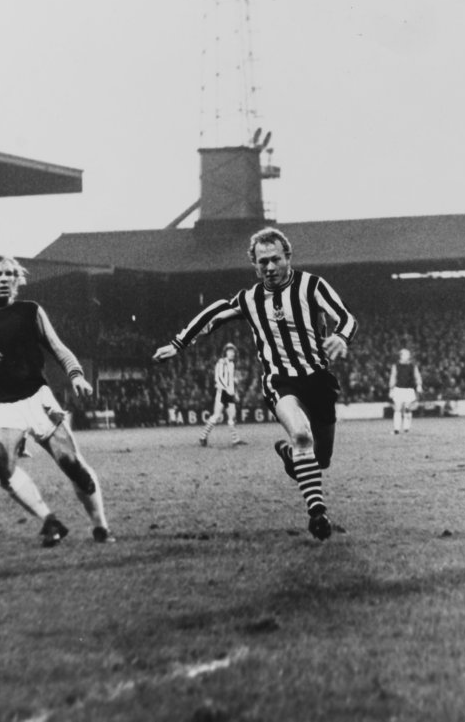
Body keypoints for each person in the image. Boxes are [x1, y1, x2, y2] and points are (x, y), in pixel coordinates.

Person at [152, 227, 357, 541]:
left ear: (288, 257)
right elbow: (215, 313)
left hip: (318, 381)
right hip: (281, 382)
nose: (270, 267)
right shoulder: (250, 299)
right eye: (262, 262)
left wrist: (341, 336)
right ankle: (317, 513)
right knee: (302, 436)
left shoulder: (311, 285)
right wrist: (178, 343)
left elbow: (346, 317)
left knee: (321, 459)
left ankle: (293, 458)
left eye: (275, 259)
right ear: (255, 265)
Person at [0, 254, 114, 547]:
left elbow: (58, 347)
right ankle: (49, 520)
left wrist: (77, 375)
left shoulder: (30, 311)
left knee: (71, 463)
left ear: (16, 279)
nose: (5, 278)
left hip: (37, 399)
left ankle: (100, 527)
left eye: (9, 273)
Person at [197, 343, 247, 446]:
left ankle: (235, 439)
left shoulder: (231, 364)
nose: (232, 353)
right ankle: (203, 437)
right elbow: (218, 377)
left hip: (229, 393)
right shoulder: (221, 362)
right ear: (225, 352)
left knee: (232, 417)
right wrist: (227, 389)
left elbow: (231, 380)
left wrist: (234, 392)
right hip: (222, 392)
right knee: (216, 416)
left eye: (233, 351)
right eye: (230, 351)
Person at [388, 348, 423, 434]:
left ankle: (406, 428)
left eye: (408, 354)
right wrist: (391, 388)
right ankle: (396, 429)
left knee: (407, 409)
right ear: (401, 356)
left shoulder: (413, 366)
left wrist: (419, 385)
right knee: (397, 408)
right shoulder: (396, 366)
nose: (408, 355)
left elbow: (417, 376)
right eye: (406, 354)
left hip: (409, 389)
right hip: (399, 389)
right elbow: (393, 377)